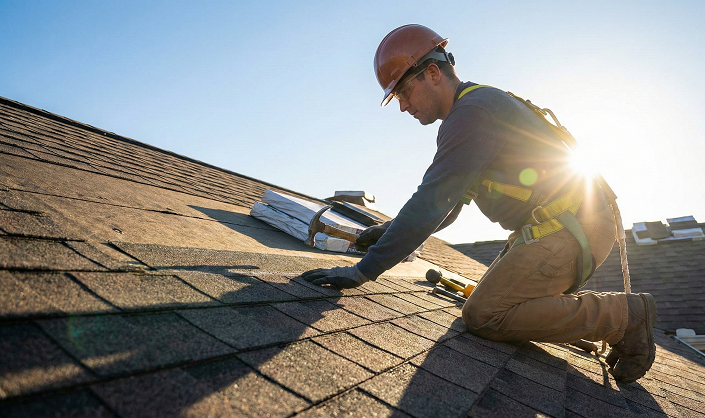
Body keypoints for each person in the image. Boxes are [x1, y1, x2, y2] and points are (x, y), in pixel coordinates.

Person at [301, 24, 656, 383]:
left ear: (433, 73)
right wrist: (386, 232)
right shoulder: (477, 107)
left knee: (485, 314)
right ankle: (611, 318)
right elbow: (449, 205)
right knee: (495, 304)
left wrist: (364, 271)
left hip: (573, 227)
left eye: (404, 91)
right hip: (565, 225)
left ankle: (624, 317)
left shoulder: (472, 114)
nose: (403, 106)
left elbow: (431, 201)